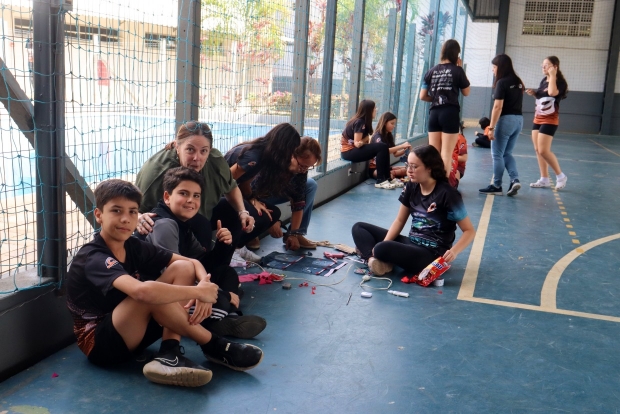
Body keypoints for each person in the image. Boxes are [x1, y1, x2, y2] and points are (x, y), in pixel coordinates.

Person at [65, 179, 263, 388]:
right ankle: (214, 344)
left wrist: (203, 287)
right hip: (101, 345)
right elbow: (142, 292)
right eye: (116, 211)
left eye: (132, 212)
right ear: (99, 215)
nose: (125, 219)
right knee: (147, 293)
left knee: (182, 268)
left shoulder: (132, 245)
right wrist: (198, 292)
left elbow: (192, 263)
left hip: (132, 328)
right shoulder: (93, 256)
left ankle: (170, 351)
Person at [141, 167, 267, 339]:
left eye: (196, 196)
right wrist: (218, 294)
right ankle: (220, 319)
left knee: (226, 273)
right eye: (183, 193)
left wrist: (223, 245)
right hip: (156, 293)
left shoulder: (183, 223)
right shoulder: (165, 225)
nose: (190, 200)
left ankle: (224, 316)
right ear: (167, 197)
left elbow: (204, 263)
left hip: (177, 285)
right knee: (221, 299)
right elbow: (174, 277)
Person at [135, 121, 260, 264]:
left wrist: (242, 212)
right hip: (165, 226)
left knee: (236, 211)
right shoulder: (156, 172)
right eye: (190, 150)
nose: (197, 158)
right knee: (200, 225)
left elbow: (231, 187)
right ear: (177, 146)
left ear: (210, 150)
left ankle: (226, 259)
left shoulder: (215, 161)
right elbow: (133, 208)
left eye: (203, 151)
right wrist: (138, 218)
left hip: (199, 216)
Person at [351, 145, 475, 285]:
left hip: (431, 254)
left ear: (429, 168)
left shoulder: (448, 194)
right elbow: (399, 220)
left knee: (381, 248)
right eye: (408, 165)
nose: (409, 170)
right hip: (412, 243)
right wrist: (385, 242)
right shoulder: (411, 186)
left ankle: (375, 256)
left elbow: (469, 231)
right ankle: (373, 260)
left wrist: (454, 251)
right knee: (359, 228)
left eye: (414, 167)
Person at [224, 123, 300, 250]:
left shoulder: (264, 156)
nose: (291, 156)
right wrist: (243, 206)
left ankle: (238, 248)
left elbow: (244, 184)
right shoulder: (253, 156)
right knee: (259, 217)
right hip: (220, 195)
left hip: (231, 192)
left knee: (272, 213)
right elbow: (224, 182)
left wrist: (253, 200)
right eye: (292, 150)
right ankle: (231, 250)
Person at [420, 39, 471, 184]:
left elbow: (422, 96)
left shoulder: (431, 71)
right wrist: (460, 69)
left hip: (434, 113)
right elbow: (466, 92)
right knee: (446, 155)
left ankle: (431, 186)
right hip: (450, 113)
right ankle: (443, 187)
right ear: (456, 54)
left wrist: (437, 98)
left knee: (434, 154)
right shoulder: (457, 70)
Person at [262, 136, 322, 250]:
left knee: (310, 185)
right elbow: (250, 195)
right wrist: (270, 221)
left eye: (309, 167)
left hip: (275, 192)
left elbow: (299, 201)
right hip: (254, 197)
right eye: (302, 165)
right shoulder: (273, 161)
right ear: (293, 155)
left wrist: (293, 233)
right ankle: (251, 233)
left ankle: (297, 233)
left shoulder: (301, 170)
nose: (304, 170)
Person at [479, 54, 525, 197]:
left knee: (497, 154)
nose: (493, 70)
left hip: (506, 120)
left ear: (501, 67)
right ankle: (514, 179)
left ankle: (497, 185)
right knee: (507, 153)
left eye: (494, 67)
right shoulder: (518, 81)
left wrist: (491, 127)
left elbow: (498, 107)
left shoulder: (502, 83)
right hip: (518, 120)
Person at [526, 56, 568, 190]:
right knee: (537, 150)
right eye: (542, 64)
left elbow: (552, 92)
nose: (543, 67)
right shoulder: (544, 80)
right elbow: (542, 95)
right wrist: (534, 93)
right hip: (538, 118)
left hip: (550, 119)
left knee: (544, 150)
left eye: (546, 65)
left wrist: (553, 75)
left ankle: (560, 176)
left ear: (555, 67)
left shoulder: (560, 82)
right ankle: (544, 179)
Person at [340, 100, 397, 190]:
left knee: (383, 147)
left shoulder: (364, 122)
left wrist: (365, 139)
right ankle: (380, 180)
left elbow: (362, 141)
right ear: (369, 110)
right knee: (382, 147)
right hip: (348, 152)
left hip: (352, 150)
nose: (376, 110)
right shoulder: (359, 122)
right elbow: (357, 144)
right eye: (374, 108)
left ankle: (387, 177)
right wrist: (365, 139)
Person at [369, 111, 411, 183]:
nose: (394, 126)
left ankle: (392, 173)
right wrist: (402, 146)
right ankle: (391, 175)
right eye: (392, 123)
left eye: (394, 124)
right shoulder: (377, 136)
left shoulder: (389, 135)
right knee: (388, 176)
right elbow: (384, 151)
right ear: (385, 123)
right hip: (375, 168)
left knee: (408, 170)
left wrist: (405, 149)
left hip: (386, 167)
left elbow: (396, 154)